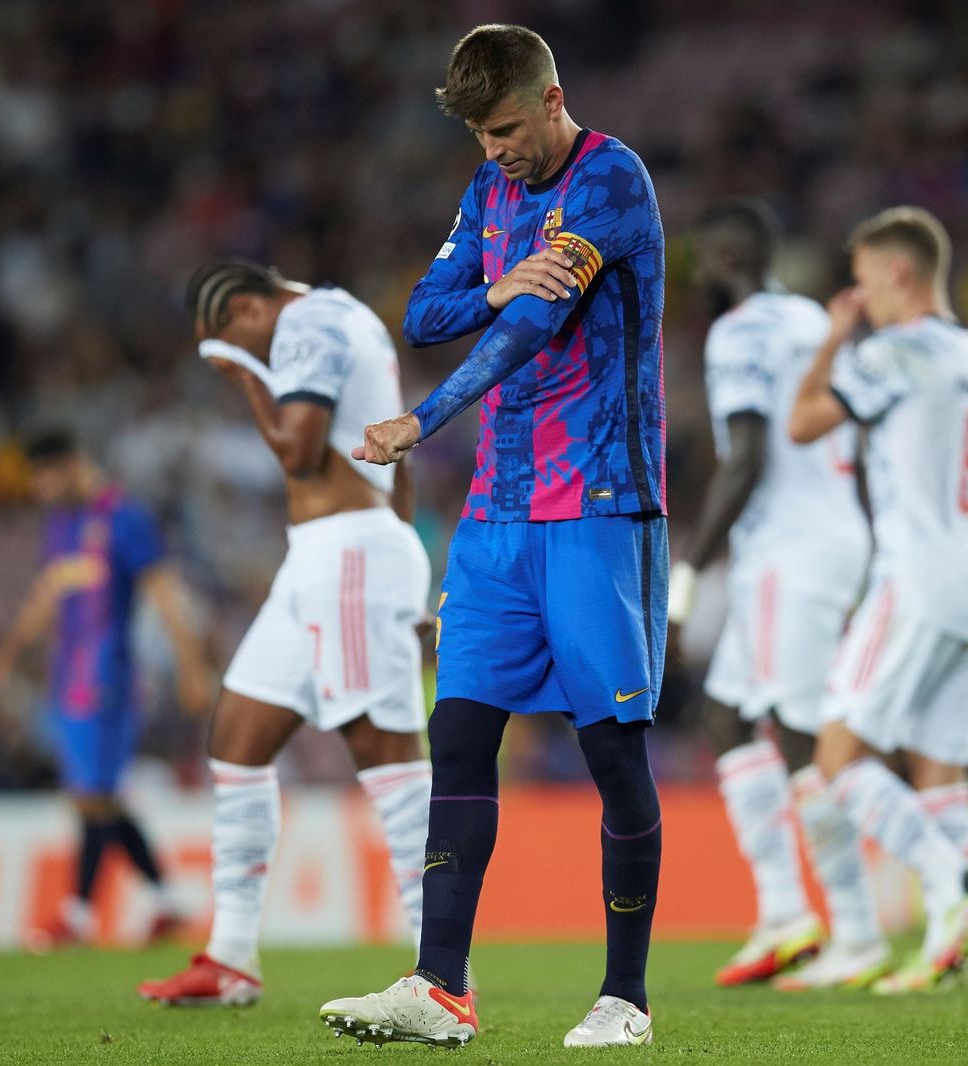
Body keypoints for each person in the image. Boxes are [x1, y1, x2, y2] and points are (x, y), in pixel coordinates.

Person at [319, 23, 666, 1050]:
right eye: (478, 134)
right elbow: (429, 310)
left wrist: (422, 419)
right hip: (497, 509)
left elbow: (529, 333)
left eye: (506, 128)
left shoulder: (611, 183)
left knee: (611, 751)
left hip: (598, 499)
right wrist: (494, 283)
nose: (493, 151)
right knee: (460, 730)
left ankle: (626, 997)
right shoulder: (489, 193)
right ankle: (440, 986)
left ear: (552, 99)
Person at [138, 259, 435, 1007]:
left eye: (231, 340)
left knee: (384, 750)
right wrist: (405, 555)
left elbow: (299, 449)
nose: (244, 356)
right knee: (237, 737)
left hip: (349, 553)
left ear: (245, 308)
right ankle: (232, 958)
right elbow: (391, 455)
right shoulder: (346, 319)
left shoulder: (305, 325)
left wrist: (242, 373)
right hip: (328, 554)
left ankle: (441, 970)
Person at [788, 206, 968, 993]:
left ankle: (959, 883)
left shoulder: (897, 352)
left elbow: (804, 422)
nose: (860, 300)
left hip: (914, 572)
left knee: (838, 761)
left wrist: (828, 342)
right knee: (941, 767)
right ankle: (951, 955)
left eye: (861, 284)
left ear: (899, 273)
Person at [669, 199, 890, 991]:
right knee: (725, 715)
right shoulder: (808, 322)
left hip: (786, 551)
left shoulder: (740, 333)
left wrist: (689, 568)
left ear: (724, 263)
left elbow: (749, 454)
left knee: (798, 733)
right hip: (830, 535)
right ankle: (784, 911)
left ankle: (858, 931)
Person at [0, 429, 212, 948]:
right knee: (100, 798)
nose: (39, 490)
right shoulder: (62, 524)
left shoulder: (124, 519)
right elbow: (47, 595)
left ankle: (79, 913)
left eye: (44, 476)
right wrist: (8, 654)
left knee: (90, 797)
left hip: (109, 678)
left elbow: (164, 592)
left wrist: (191, 667)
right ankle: (165, 901)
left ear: (70, 464)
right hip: (69, 679)